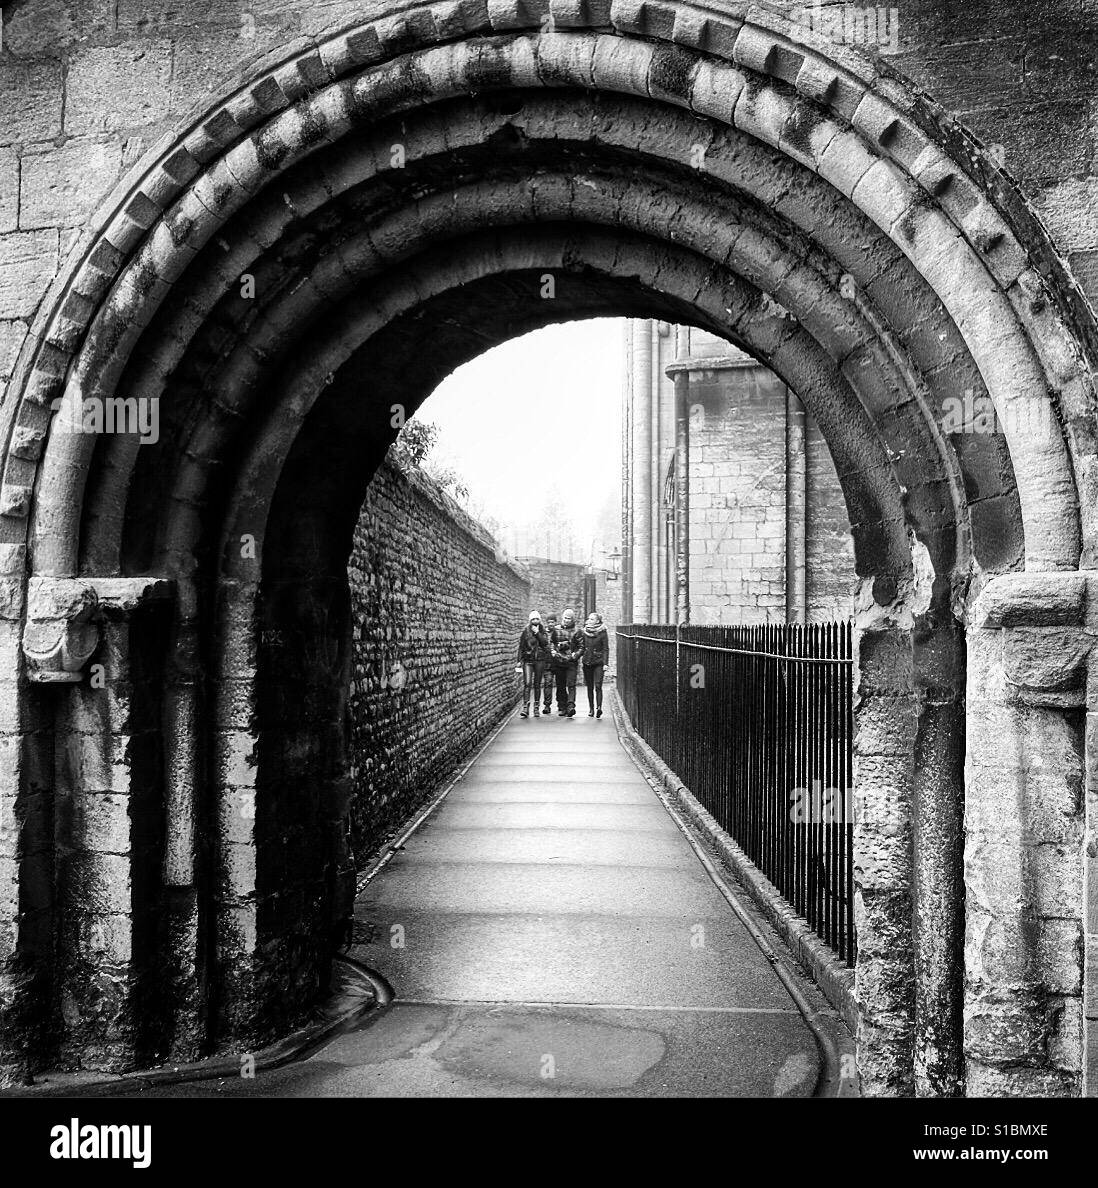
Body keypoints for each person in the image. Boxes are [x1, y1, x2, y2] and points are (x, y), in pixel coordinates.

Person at [550, 608, 584, 717]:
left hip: (571, 662)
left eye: (569, 618)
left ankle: (570, 706)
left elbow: (581, 647)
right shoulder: (556, 630)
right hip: (559, 661)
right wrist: (553, 651)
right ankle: (562, 706)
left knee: (571, 684)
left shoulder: (577, 631)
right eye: (565, 618)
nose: (566, 620)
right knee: (560, 685)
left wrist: (575, 655)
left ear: (572, 619)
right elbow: (551, 642)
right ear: (562, 618)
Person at [517, 611, 551, 718]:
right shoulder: (526, 631)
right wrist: (519, 660)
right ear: (530, 620)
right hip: (528, 660)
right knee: (527, 683)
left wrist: (537, 633)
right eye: (533, 619)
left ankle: (536, 707)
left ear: (539, 620)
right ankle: (525, 707)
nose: (535, 621)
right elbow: (521, 646)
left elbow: (545, 643)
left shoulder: (542, 630)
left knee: (537, 684)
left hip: (540, 660)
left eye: (537, 619)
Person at [581, 611, 610, 718]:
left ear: (597, 621)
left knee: (598, 685)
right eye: (589, 619)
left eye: (592, 619)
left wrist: (605, 663)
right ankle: (591, 709)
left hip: (598, 662)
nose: (589, 620)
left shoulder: (602, 632)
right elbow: (581, 646)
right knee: (589, 687)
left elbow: (606, 648)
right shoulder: (584, 632)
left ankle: (599, 708)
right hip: (587, 662)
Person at [541, 614, 558, 713]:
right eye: (549, 622)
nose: (551, 624)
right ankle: (547, 705)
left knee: (561, 685)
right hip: (547, 662)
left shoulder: (559, 632)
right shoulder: (543, 633)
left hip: (559, 661)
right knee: (548, 683)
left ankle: (561, 705)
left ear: (555, 622)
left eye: (552, 622)